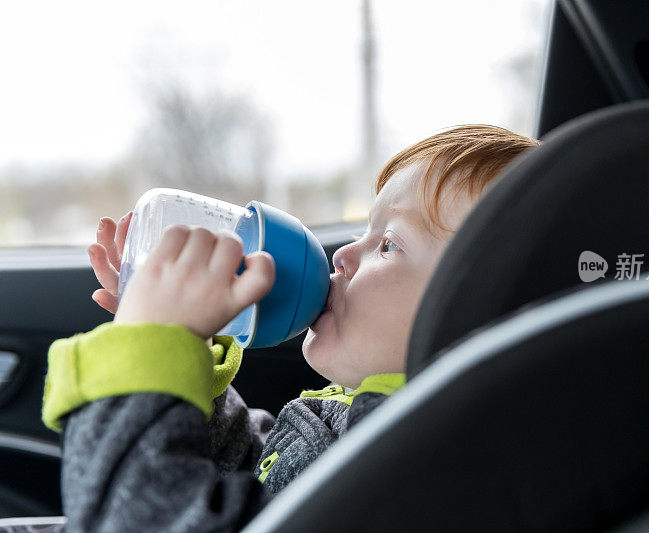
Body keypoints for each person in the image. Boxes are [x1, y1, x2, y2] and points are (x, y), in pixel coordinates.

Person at [42, 124, 540, 531]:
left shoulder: (422, 472)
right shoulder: (364, 427)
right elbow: (262, 489)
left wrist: (145, 358)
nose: (343, 256)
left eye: (388, 244)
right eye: (362, 233)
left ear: (481, 314)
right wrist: (184, 349)